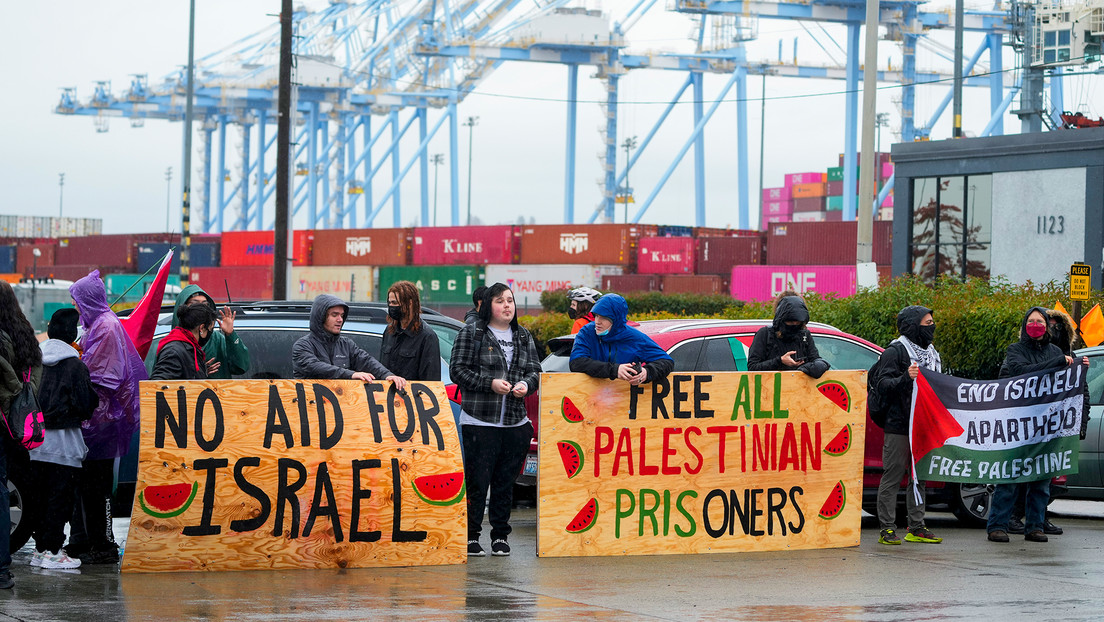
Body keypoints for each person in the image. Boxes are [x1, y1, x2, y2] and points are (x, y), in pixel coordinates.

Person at [449, 283, 541, 557]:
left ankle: (500, 536)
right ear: (489, 305)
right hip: (480, 421)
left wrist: (526, 384)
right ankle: (471, 536)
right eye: (500, 301)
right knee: (478, 483)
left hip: (514, 423)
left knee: (504, 484)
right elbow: (457, 371)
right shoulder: (472, 333)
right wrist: (489, 384)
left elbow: (536, 371)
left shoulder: (523, 336)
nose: (507, 306)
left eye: (510, 301)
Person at [66, 270, 148, 565]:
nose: (75, 307)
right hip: (97, 421)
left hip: (103, 421)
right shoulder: (98, 325)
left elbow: (104, 375)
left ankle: (101, 545)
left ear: (86, 300)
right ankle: (84, 541)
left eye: (77, 301)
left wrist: (76, 363)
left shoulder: (105, 327)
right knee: (88, 485)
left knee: (97, 487)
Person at [988, 306, 1080, 544]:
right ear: (1024, 324)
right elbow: (1021, 372)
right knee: (1009, 477)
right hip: (1018, 425)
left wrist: (1077, 367)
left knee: (1041, 479)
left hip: (1046, 426)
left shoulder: (1054, 351)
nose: (1036, 325)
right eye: (1032, 321)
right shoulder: (1015, 350)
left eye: (1040, 321)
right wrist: (1057, 363)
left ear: (1047, 326)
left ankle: (1035, 526)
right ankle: (998, 525)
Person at [30, 309, 98, 570]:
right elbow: (85, 404)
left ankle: (39, 550)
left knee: (39, 498)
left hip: (35, 443)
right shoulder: (75, 365)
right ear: (72, 335)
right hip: (65, 445)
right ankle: (55, 551)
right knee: (61, 499)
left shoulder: (35, 361)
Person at [872, 305, 944, 546]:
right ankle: (888, 529)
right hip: (899, 425)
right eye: (927, 323)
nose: (931, 327)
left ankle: (917, 526)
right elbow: (882, 384)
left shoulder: (932, 353)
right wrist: (905, 378)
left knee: (919, 477)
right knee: (892, 476)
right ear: (913, 326)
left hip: (923, 425)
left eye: (932, 322)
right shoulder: (896, 351)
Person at [0, 281, 44, 588]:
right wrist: (19, 397)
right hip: (14, 426)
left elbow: (9, 382)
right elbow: (34, 379)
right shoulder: (26, 335)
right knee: (2, 493)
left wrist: (11, 391)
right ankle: (2, 567)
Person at [292, 294, 407, 391]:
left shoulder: (346, 344)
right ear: (321, 317)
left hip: (343, 411)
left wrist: (388, 375)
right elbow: (316, 367)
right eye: (334, 315)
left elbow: (366, 361)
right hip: (310, 410)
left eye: (342, 315)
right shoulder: (303, 346)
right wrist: (351, 375)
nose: (340, 320)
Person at [146, 284, 250, 379]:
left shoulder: (218, 340)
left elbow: (241, 367)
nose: (201, 309)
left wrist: (230, 335)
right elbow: (159, 385)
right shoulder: (170, 345)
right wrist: (198, 372)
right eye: (194, 304)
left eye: (205, 305)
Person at [569, 293, 673, 385]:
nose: (597, 322)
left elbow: (667, 362)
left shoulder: (634, 337)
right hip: (588, 399)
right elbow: (576, 362)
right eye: (596, 316)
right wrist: (615, 370)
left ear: (617, 320)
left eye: (604, 318)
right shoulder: (587, 332)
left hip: (623, 401)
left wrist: (647, 373)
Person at [747, 293, 830, 378]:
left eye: (797, 322)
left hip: (800, 388)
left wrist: (805, 368)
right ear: (781, 317)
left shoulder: (804, 335)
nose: (794, 325)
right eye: (790, 321)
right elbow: (752, 367)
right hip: (772, 388)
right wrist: (780, 361)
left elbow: (816, 359)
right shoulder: (765, 334)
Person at [380, 281, 441, 382]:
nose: (391, 306)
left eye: (395, 303)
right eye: (389, 303)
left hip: (412, 396)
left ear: (409, 303)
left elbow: (431, 380)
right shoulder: (389, 332)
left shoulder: (426, 336)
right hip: (387, 395)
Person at [150, 304, 219, 381]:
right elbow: (158, 385)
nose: (210, 332)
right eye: (210, 329)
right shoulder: (173, 351)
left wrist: (200, 372)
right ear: (202, 328)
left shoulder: (189, 347)